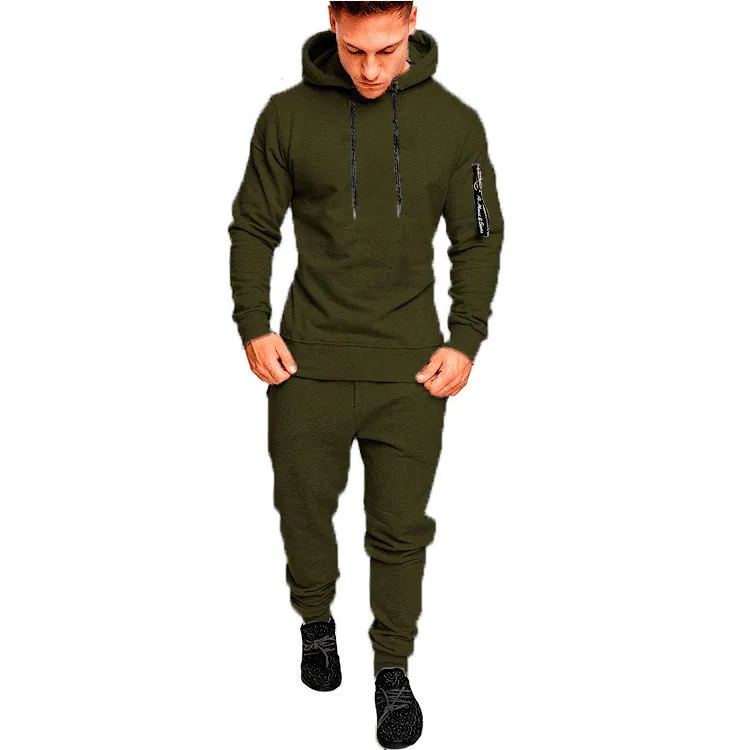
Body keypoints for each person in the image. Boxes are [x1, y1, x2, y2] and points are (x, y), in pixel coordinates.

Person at [228, 2, 504, 747]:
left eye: (386, 49)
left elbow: (478, 238)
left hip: (410, 372)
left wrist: (466, 339)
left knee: (400, 530)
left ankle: (393, 671)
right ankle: (316, 623)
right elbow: (254, 225)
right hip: (306, 365)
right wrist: (253, 323)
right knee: (303, 512)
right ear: (332, 23)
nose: (371, 69)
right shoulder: (286, 117)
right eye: (354, 50)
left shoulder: (455, 124)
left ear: (411, 20)